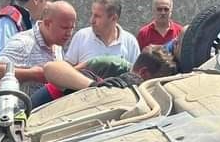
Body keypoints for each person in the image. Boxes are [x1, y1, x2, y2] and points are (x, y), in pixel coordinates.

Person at [32, 45, 178, 106]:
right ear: (144, 73)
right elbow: (51, 68)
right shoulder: (96, 82)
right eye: (155, 82)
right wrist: (94, 87)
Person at [0, 1, 77, 93]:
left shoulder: (57, 45)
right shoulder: (24, 43)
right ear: (47, 23)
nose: (69, 34)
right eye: (64, 28)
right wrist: (31, 74)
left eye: (72, 28)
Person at [64, 0, 139, 65]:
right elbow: (67, 69)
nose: (92, 20)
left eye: (97, 16)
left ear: (113, 18)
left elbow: (136, 75)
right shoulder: (81, 36)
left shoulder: (130, 42)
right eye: (92, 14)